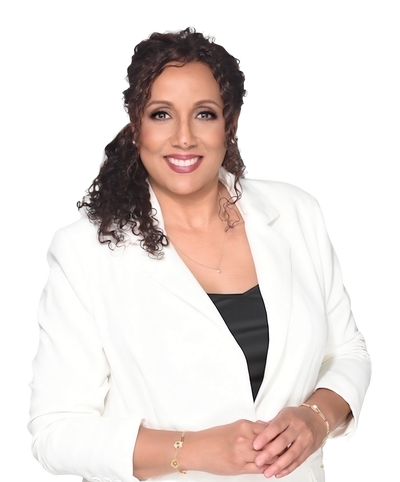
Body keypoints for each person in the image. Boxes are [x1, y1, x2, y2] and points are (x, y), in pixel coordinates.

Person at [25, 25, 374, 482]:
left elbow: (350, 352)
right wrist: (192, 450)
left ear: (231, 123)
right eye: (162, 114)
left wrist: (316, 418)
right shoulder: (82, 250)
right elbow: (54, 433)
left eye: (204, 114)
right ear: (135, 127)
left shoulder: (297, 211)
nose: (184, 138)